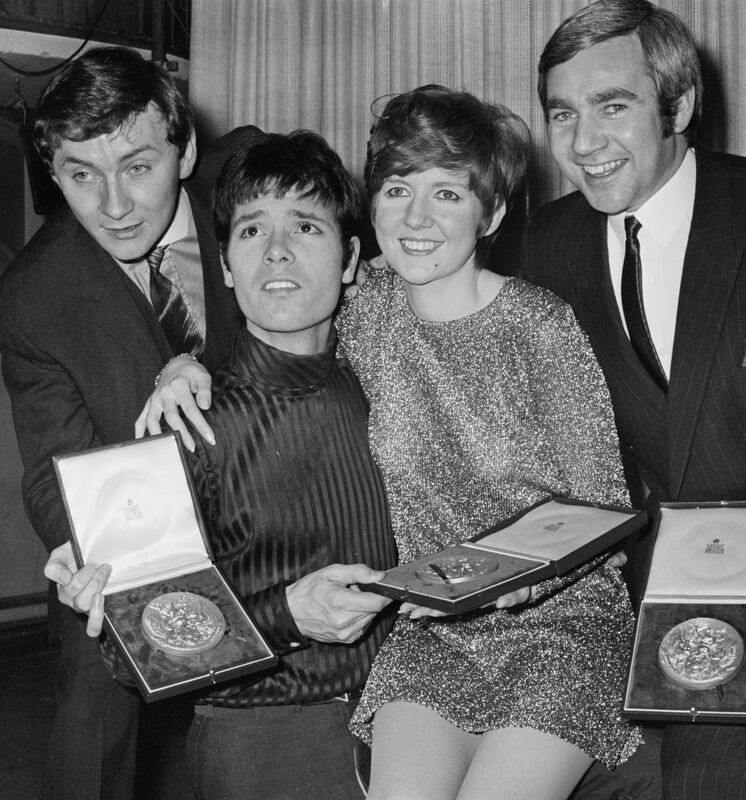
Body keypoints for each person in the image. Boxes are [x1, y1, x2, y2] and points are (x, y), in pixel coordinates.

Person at [136, 85, 642, 799]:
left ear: (490, 212)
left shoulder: (540, 324)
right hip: (431, 631)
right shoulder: (365, 305)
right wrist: (182, 362)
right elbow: (272, 292)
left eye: (447, 194)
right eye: (399, 188)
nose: (416, 218)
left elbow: (602, 507)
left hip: (558, 623)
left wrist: (512, 579)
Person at [47, 131, 397, 799]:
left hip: (415, 723)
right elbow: (138, 653)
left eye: (306, 225)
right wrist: (289, 614)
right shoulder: (190, 425)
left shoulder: (385, 380)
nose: (278, 251)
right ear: (227, 265)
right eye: (251, 229)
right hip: (265, 740)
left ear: (353, 258)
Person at [527, 2, 746, 798]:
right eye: (562, 114)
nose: (583, 144)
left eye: (614, 107)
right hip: (651, 598)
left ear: (680, 106)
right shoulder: (549, 242)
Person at [0, 46, 263, 800]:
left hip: (294, 494)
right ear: (54, 175)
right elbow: (54, 469)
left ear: (184, 152)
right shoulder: (32, 296)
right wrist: (85, 555)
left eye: (138, 166)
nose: (113, 204)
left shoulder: (253, 187)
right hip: (148, 538)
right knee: (89, 677)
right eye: (82, 175)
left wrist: (217, 375)